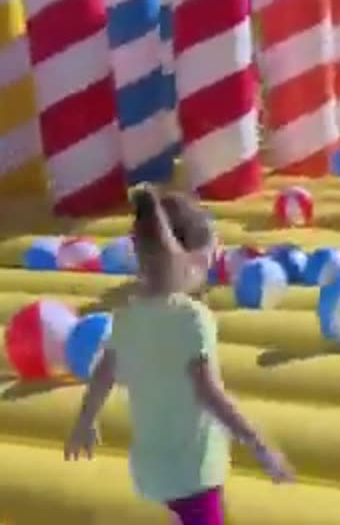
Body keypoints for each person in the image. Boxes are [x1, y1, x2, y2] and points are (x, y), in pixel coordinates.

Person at [64, 187, 293, 525]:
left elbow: (103, 373)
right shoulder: (192, 318)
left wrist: (85, 421)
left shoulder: (127, 316)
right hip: (192, 471)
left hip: (152, 470)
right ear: (190, 260)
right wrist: (257, 443)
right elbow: (209, 392)